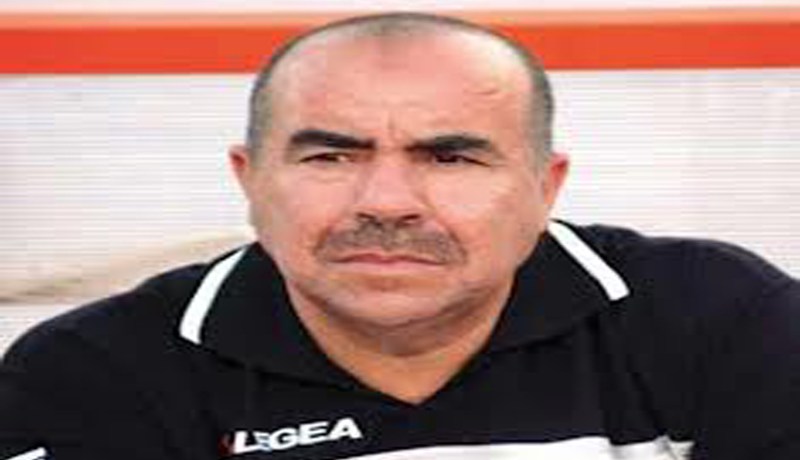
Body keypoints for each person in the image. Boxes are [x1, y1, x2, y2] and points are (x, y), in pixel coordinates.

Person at [1, 12, 798, 460]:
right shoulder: (98, 375)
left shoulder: (722, 322)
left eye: (450, 157)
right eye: (330, 156)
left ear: (544, 187)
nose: (386, 202)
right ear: (250, 179)